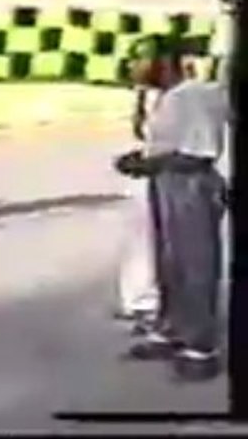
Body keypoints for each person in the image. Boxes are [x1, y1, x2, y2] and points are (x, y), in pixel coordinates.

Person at [115, 35, 231, 382]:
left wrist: (147, 165)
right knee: (169, 263)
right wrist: (144, 158)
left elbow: (198, 153)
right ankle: (172, 329)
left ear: (164, 61)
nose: (134, 67)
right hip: (167, 182)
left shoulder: (193, 96)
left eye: (140, 60)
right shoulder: (167, 97)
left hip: (191, 186)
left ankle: (200, 347)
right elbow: (159, 141)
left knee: (194, 265)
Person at [116, 85, 161, 328]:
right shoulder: (149, 93)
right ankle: (139, 299)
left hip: (164, 173)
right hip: (146, 171)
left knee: (152, 238)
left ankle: (149, 302)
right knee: (139, 239)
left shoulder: (177, 97)